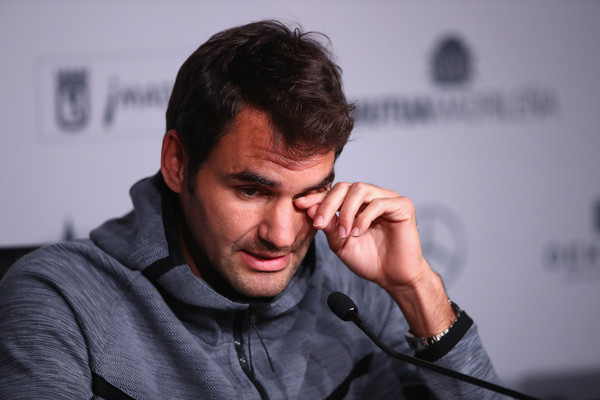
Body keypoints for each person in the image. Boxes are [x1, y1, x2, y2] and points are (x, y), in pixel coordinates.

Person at [0, 20, 504, 399]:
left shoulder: (354, 289)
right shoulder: (61, 299)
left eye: (307, 194)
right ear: (178, 163)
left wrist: (417, 290)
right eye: (251, 191)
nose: (282, 236)